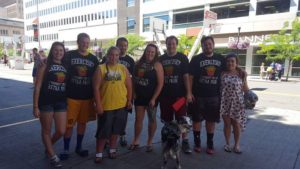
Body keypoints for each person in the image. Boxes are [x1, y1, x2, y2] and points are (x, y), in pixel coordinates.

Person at [59, 33, 99, 160]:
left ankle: (79, 147)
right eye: (83, 42)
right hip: (71, 97)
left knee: (82, 123)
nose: (85, 44)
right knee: (69, 125)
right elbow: (59, 66)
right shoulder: (69, 55)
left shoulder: (93, 59)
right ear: (78, 42)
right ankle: (66, 149)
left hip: (87, 98)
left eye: (87, 42)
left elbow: (96, 78)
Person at [93, 46, 132, 163]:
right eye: (111, 55)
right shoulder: (101, 68)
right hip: (106, 106)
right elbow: (95, 88)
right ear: (107, 55)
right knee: (103, 132)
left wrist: (129, 101)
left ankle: (112, 149)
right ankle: (99, 152)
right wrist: (98, 104)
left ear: (119, 56)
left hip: (121, 105)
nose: (114, 57)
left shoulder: (123, 68)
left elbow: (129, 86)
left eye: (116, 55)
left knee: (116, 130)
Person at [33, 42, 68, 168]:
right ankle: (53, 156)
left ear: (64, 52)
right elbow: (37, 87)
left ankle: (48, 147)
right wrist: (35, 106)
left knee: (61, 130)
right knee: (46, 130)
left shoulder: (66, 65)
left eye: (61, 50)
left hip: (60, 102)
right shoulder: (45, 65)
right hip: (46, 101)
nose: (58, 52)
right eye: (56, 50)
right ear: (52, 51)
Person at [189, 36, 225, 154]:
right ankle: (197, 142)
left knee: (211, 120)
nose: (207, 46)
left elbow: (229, 69)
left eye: (209, 44)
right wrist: (189, 92)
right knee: (197, 120)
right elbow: (190, 77)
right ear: (202, 46)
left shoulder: (220, 59)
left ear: (213, 44)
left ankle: (210, 143)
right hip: (198, 95)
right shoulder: (195, 59)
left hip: (214, 96)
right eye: (205, 45)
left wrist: (240, 71)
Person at [159, 35, 193, 154]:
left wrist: (188, 93)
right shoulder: (161, 59)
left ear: (176, 45)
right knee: (167, 121)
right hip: (165, 96)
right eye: (169, 43)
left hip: (179, 96)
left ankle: (185, 141)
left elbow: (185, 76)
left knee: (181, 120)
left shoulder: (182, 57)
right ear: (166, 44)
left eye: (173, 43)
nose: (171, 45)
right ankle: (169, 142)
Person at [100, 37, 135, 147]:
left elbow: (132, 79)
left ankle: (122, 135)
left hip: (123, 95)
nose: (123, 47)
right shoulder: (106, 61)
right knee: (107, 120)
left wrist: (131, 96)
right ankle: (106, 139)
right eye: (121, 45)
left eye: (125, 45)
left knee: (122, 117)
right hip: (109, 96)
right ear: (117, 46)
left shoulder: (130, 60)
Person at [129, 44, 164, 152]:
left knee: (152, 120)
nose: (150, 54)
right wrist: (133, 93)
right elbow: (133, 80)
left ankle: (149, 142)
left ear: (155, 53)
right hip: (139, 97)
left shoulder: (157, 65)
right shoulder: (138, 64)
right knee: (138, 119)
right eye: (148, 51)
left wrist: (154, 98)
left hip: (151, 98)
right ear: (145, 52)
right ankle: (136, 140)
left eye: (152, 52)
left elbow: (160, 84)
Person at [220, 53, 249, 154]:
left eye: (232, 61)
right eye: (228, 61)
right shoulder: (222, 73)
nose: (230, 63)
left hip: (238, 102)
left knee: (236, 124)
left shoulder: (242, 74)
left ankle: (236, 145)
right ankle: (227, 144)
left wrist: (250, 98)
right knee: (227, 124)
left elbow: (245, 89)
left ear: (236, 63)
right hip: (225, 102)